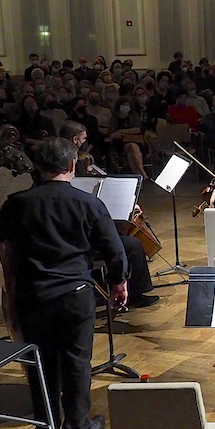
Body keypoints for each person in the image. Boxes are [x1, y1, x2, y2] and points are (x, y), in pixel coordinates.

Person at [0, 137, 127, 429]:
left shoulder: (18, 202)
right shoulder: (89, 203)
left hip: (32, 294)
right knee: (77, 361)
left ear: (38, 166)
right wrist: (119, 282)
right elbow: (114, 249)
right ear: (73, 164)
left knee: (40, 362)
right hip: (74, 294)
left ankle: (45, 427)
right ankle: (77, 428)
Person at [61, 121, 158, 309]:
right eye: (83, 139)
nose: (85, 142)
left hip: (70, 235)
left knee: (117, 234)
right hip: (81, 239)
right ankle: (134, 292)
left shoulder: (63, 161)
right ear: (75, 140)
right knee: (131, 244)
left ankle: (101, 285)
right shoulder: (78, 163)